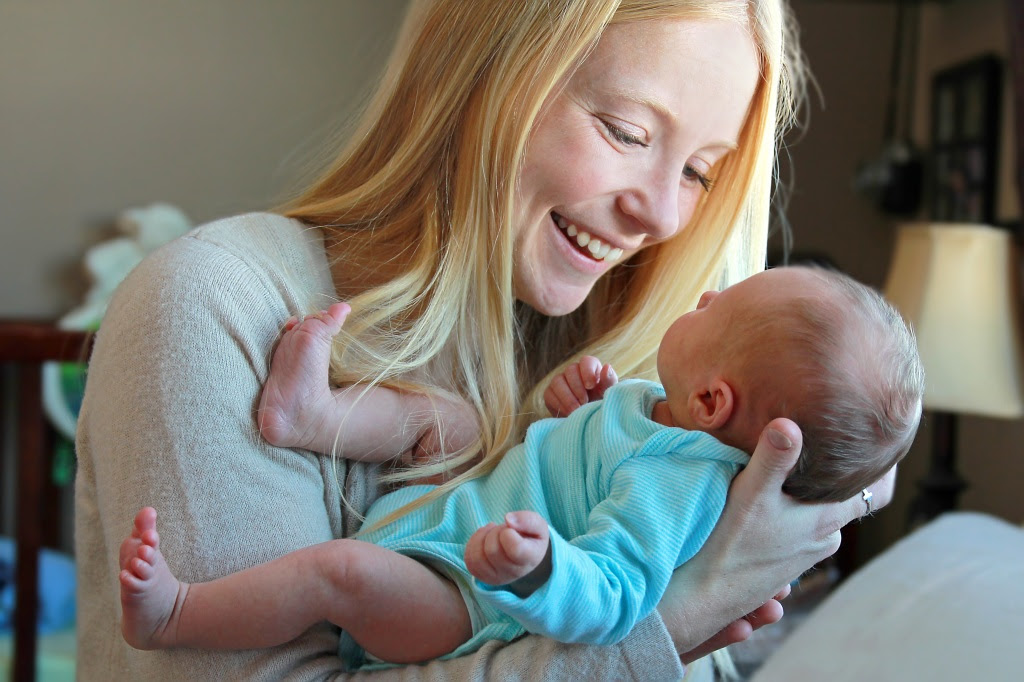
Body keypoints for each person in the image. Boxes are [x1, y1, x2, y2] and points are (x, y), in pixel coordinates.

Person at [76, 1, 897, 679]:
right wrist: (679, 619)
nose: (664, 215)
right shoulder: (211, 305)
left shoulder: (657, 392)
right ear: (481, 77)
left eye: (698, 172)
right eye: (628, 132)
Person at [116, 265, 922, 668]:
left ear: (714, 403)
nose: (704, 297)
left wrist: (540, 571)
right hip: (453, 524)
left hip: (464, 603)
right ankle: (310, 416)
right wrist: (578, 408)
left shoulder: (681, 485)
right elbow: (577, 459)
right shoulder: (656, 407)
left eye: (718, 309)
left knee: (339, 573)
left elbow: (615, 597)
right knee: (452, 421)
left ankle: (176, 613)